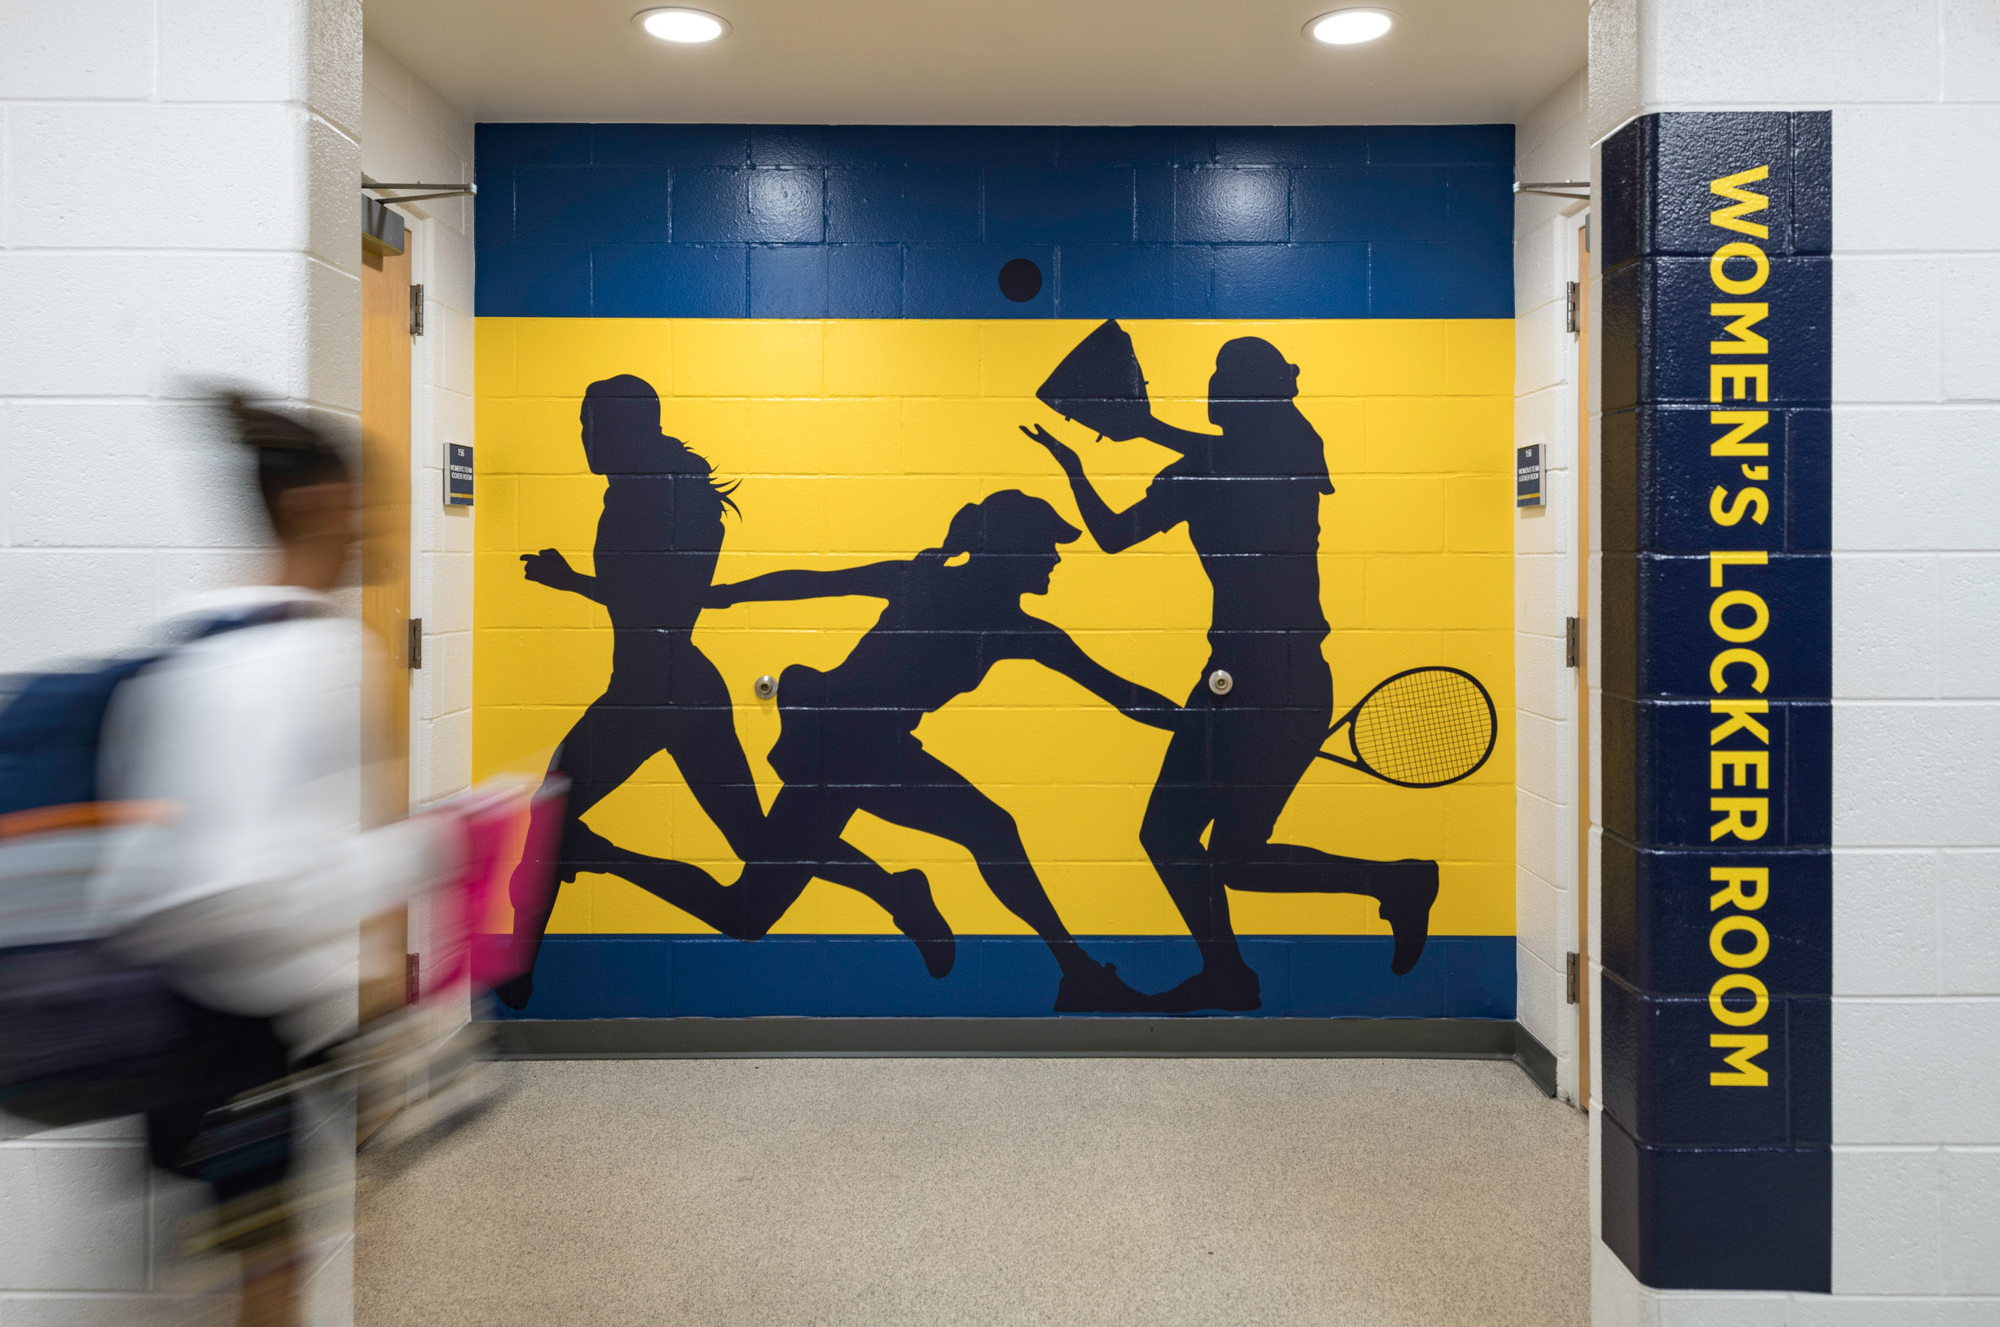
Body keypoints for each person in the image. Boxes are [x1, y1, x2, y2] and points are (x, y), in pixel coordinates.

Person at [92, 395, 458, 1327]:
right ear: (313, 507)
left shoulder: (186, 634)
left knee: (260, 1251)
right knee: (269, 1267)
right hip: (235, 1028)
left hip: (176, 1012)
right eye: (362, 505)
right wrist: (425, 854)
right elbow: (254, 882)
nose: (373, 527)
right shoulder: (316, 654)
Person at [621, 491, 1179, 1011]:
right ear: (1010, 549)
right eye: (1046, 545)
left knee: (746, 912)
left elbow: (1120, 694)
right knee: (990, 830)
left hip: (860, 750)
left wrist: (1191, 724)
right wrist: (720, 595)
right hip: (843, 744)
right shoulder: (927, 584)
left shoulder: (1003, 621)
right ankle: (1066, 967)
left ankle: (914, 900)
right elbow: (814, 583)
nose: (1055, 558)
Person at [494, 374, 950, 1008]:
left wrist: (574, 583)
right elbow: (648, 602)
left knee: (554, 818)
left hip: (653, 691)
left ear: (631, 429)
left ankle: (522, 969)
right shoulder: (647, 493)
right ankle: (896, 893)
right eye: (582, 424)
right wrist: (575, 581)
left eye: (594, 424)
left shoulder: (652, 501)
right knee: (759, 844)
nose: (585, 437)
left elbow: (655, 606)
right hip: (677, 687)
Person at [1023, 332, 1439, 1013]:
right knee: (1189, 844)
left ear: (1245, 395)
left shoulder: (1285, 448)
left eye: (1225, 379)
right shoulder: (1222, 463)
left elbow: (1224, 468)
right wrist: (1084, 460)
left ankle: (1381, 892)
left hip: (1276, 679)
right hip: (1244, 679)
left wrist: (1137, 429)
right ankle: (1358, 903)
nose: (1214, 390)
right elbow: (1117, 534)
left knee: (1216, 853)